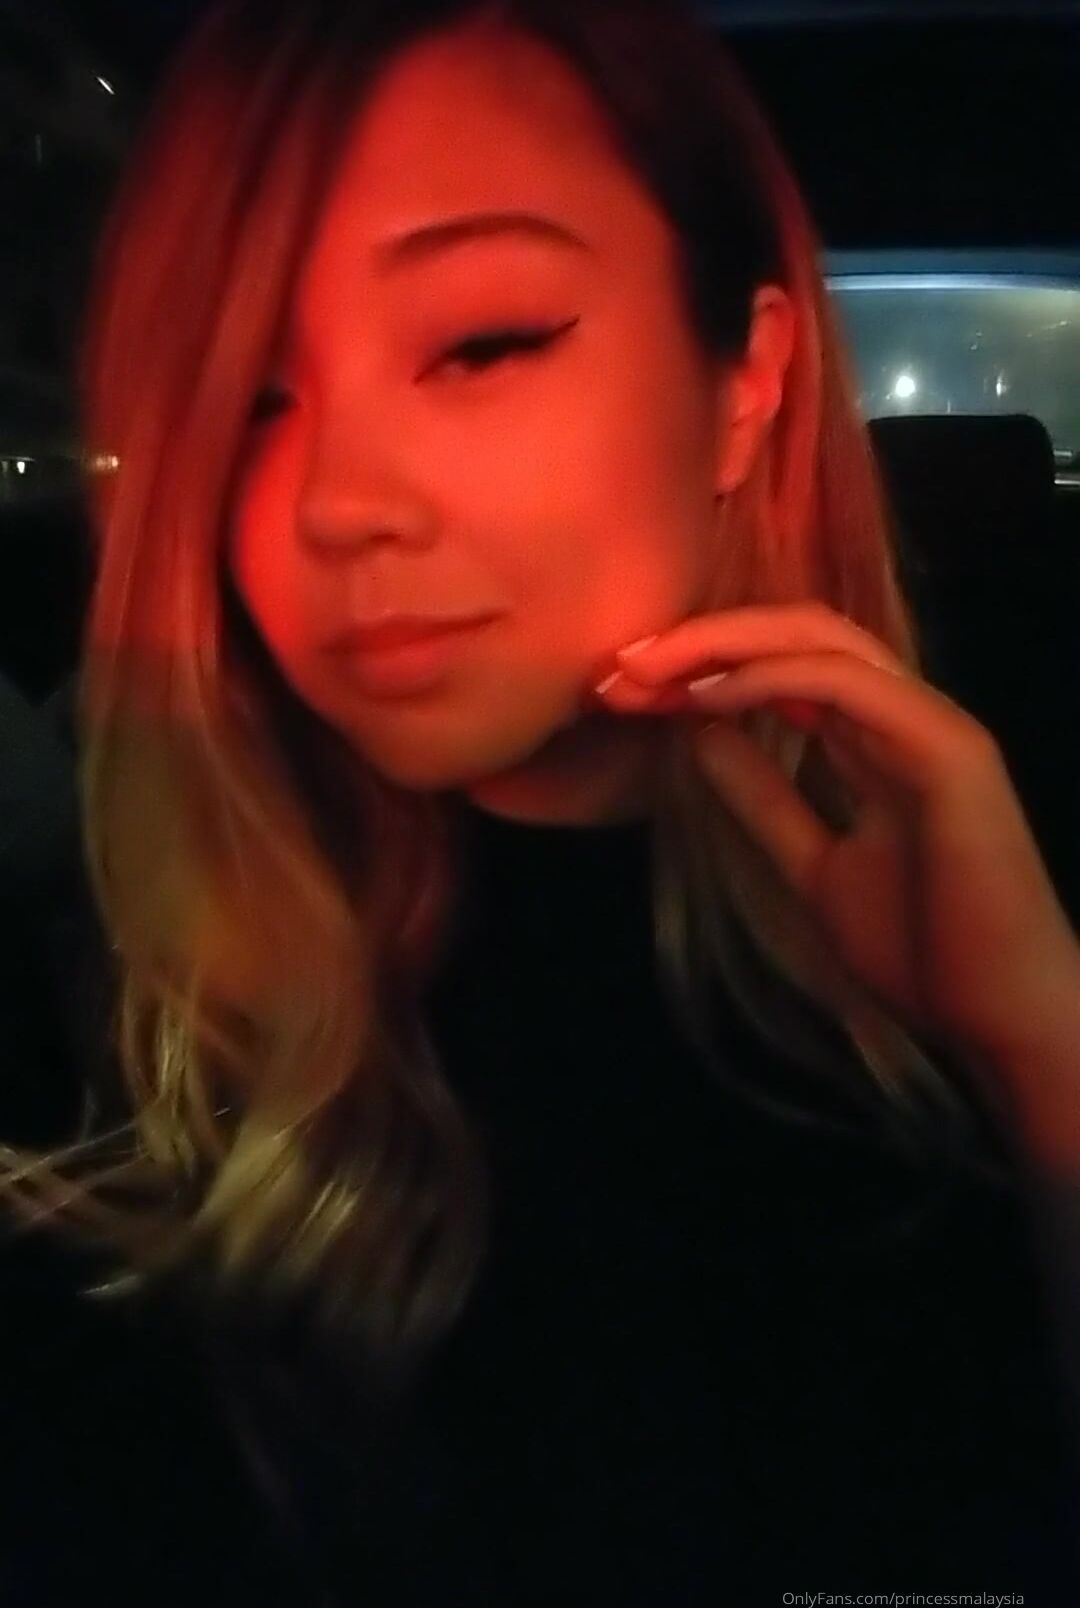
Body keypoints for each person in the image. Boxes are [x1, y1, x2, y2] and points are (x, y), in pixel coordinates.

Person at [2, 0, 1080, 1601]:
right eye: (253, 399)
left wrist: (1043, 1048)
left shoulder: (1016, 853)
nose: (341, 505)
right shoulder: (109, 1046)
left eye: (482, 342)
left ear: (748, 381)